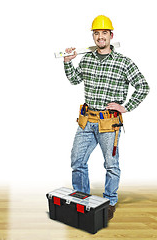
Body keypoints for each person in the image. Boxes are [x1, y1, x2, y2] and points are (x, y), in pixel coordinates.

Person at [63, 15, 150, 220]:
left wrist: (126, 107)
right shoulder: (87, 59)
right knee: (77, 160)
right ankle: (81, 199)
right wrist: (68, 62)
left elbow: (143, 86)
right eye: (96, 33)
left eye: (104, 33)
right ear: (93, 36)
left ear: (111, 35)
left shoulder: (123, 62)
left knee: (111, 165)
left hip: (109, 123)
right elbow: (75, 79)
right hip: (87, 120)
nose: (100, 37)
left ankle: (110, 201)